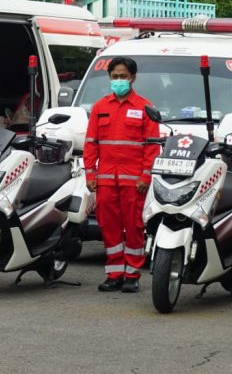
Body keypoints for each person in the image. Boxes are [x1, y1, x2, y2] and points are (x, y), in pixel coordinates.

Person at [83, 56, 159, 293]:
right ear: (109, 77)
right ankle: (114, 273)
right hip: (106, 179)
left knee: (134, 226)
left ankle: (132, 274)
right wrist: (90, 174)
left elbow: (152, 146)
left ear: (133, 78)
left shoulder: (145, 107)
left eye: (123, 76)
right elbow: (91, 143)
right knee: (109, 226)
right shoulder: (100, 107)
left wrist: (145, 176)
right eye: (115, 76)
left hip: (134, 181)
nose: (118, 80)